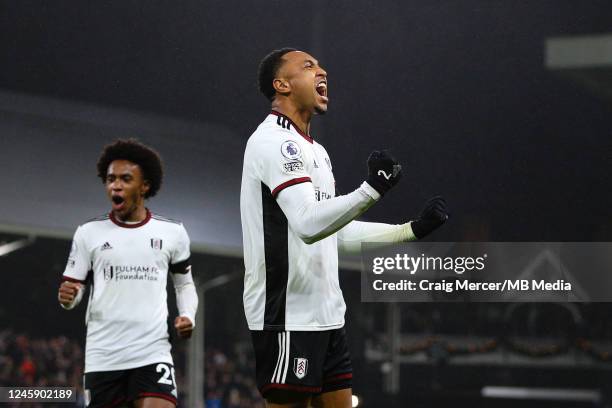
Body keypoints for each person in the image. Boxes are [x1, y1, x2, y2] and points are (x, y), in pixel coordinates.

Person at [240, 48, 449, 407]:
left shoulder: (317, 151)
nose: (321, 71)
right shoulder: (272, 142)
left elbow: (329, 235)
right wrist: (372, 190)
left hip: (327, 317)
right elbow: (307, 224)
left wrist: (409, 230)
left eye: (320, 65)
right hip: (288, 317)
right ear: (282, 84)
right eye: (308, 66)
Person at [57, 139, 198, 408]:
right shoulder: (88, 233)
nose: (115, 185)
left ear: (144, 186)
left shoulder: (173, 232)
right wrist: (68, 298)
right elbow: (72, 291)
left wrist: (188, 315)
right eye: (110, 179)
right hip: (103, 357)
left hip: (152, 353)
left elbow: (184, 285)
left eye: (125, 179)